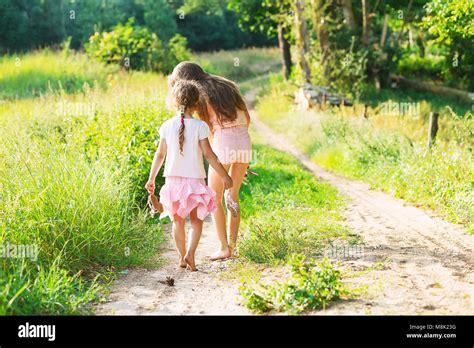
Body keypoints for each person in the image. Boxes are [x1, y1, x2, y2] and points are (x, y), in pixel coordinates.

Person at [145, 80, 233, 271]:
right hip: (195, 181)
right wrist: (224, 175)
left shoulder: (167, 125)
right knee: (196, 221)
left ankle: (181, 257)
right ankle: (191, 253)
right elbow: (209, 155)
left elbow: (159, 155)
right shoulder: (200, 126)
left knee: (177, 221)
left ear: (175, 102)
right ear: (196, 103)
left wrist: (151, 178)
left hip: (173, 181)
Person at [168, 62, 252, 260]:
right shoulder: (227, 85)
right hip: (244, 142)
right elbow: (247, 118)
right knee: (232, 196)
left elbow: (207, 129)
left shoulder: (199, 94)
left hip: (224, 144)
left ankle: (223, 248)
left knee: (214, 198)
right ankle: (232, 245)